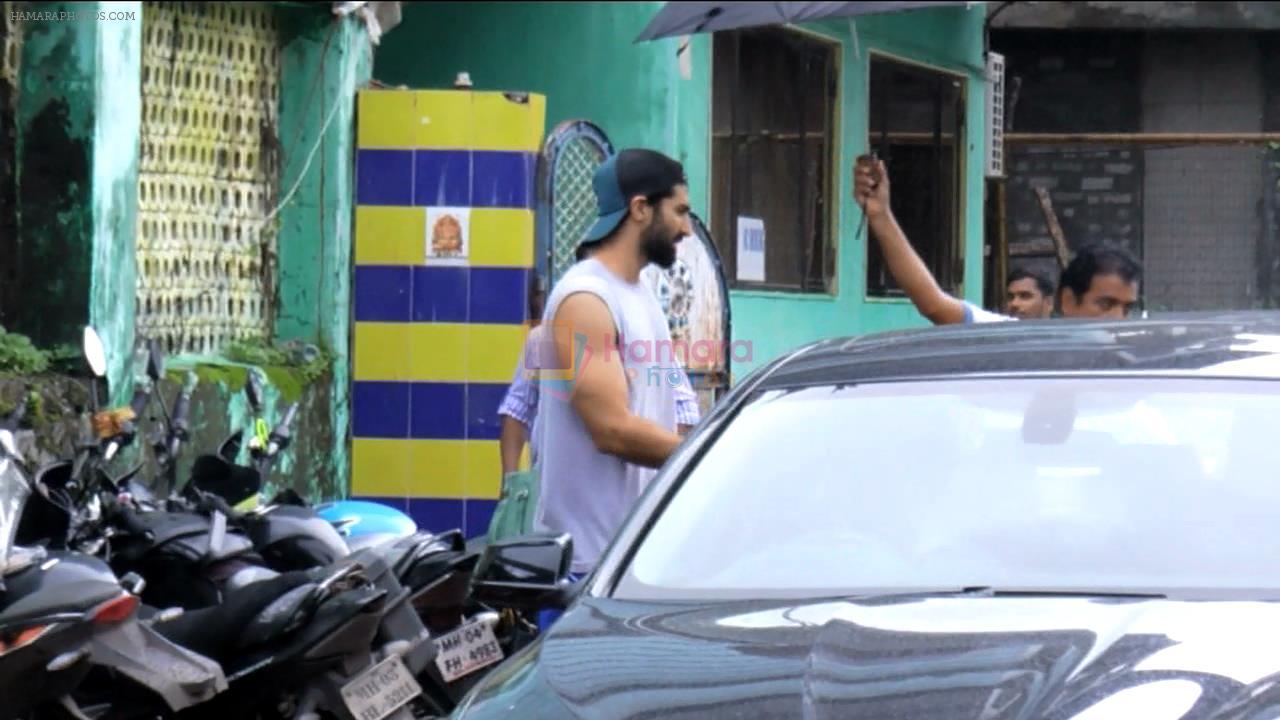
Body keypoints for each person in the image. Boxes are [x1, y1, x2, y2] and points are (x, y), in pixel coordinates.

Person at [530, 148, 692, 627]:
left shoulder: (641, 296)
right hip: (587, 571)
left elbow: (661, 400)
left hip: (631, 559)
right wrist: (709, 459)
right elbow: (612, 430)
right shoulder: (587, 298)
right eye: (679, 211)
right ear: (641, 208)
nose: (686, 229)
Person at [853, 155, 1142, 324]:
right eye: (1105, 305)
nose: (1118, 319)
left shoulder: (1139, 370)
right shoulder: (1013, 342)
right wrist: (880, 216)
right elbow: (934, 305)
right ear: (1067, 300)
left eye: (1127, 309)